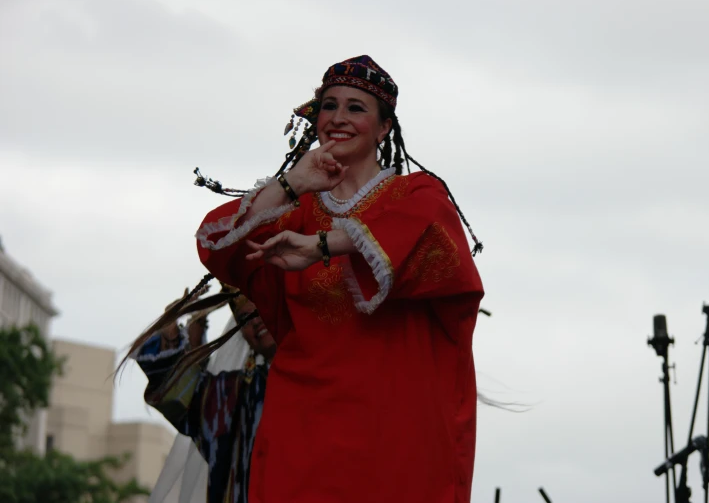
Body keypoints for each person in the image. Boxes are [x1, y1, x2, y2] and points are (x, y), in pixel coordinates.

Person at [196, 55, 484, 503]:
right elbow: (218, 244)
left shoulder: (416, 195)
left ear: (384, 126)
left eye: (356, 107)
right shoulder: (295, 211)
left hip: (396, 433)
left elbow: (423, 232)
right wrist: (292, 183)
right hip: (302, 425)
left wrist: (324, 245)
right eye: (329, 106)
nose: (339, 118)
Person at [130, 288, 274, 503]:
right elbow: (178, 393)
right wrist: (172, 333)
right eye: (245, 318)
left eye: (263, 310)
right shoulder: (235, 398)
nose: (256, 321)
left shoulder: (325, 373)